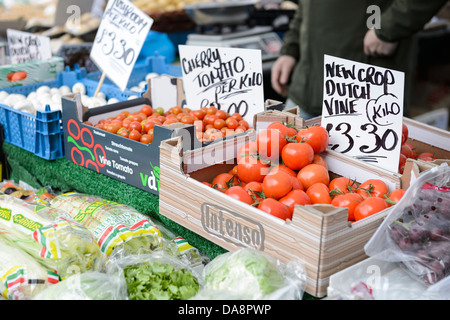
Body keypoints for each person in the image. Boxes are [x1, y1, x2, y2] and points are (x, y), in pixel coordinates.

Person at [271, 0, 448, 120]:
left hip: (363, 90)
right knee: (276, 164)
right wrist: (291, 48)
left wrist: (387, 27)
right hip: (305, 89)